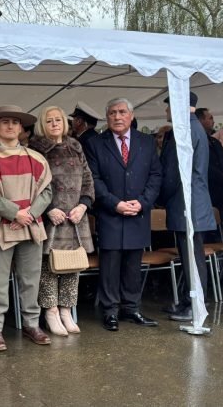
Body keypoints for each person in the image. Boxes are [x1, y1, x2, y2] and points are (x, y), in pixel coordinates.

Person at [0, 105, 53, 351]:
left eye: (14, 122)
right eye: (4, 122)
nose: (9, 126)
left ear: (21, 128)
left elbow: (46, 191)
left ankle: (31, 323)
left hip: (31, 224)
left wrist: (30, 213)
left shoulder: (36, 157)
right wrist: (15, 212)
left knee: (31, 278)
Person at [85, 98, 162, 331]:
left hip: (138, 213)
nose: (117, 117)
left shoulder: (146, 142)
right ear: (106, 117)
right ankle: (110, 311)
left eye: (121, 112)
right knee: (110, 264)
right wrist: (114, 204)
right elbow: (93, 179)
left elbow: (155, 175)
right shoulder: (95, 143)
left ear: (131, 115)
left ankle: (132, 308)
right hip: (111, 213)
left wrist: (143, 202)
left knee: (133, 264)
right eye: (112, 113)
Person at [28, 106, 95, 336]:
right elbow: (31, 186)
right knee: (49, 267)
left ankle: (67, 311)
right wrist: (48, 209)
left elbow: (88, 179)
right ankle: (51, 312)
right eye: (50, 120)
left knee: (72, 266)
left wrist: (83, 205)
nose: (55, 123)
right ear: (41, 124)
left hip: (75, 217)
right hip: (50, 217)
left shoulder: (76, 146)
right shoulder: (35, 149)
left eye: (58, 119)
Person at [157, 93, 216, 321]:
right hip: (194, 200)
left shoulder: (185, 130)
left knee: (192, 256)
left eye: (168, 106)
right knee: (190, 254)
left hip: (186, 201)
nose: (166, 112)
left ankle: (194, 304)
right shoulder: (195, 127)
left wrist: (161, 196)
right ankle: (188, 300)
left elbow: (172, 172)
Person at [195, 107, 223, 215]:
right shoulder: (194, 141)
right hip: (205, 190)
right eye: (210, 118)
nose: (213, 121)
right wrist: (220, 175)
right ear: (201, 120)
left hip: (219, 191)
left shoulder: (214, 141)